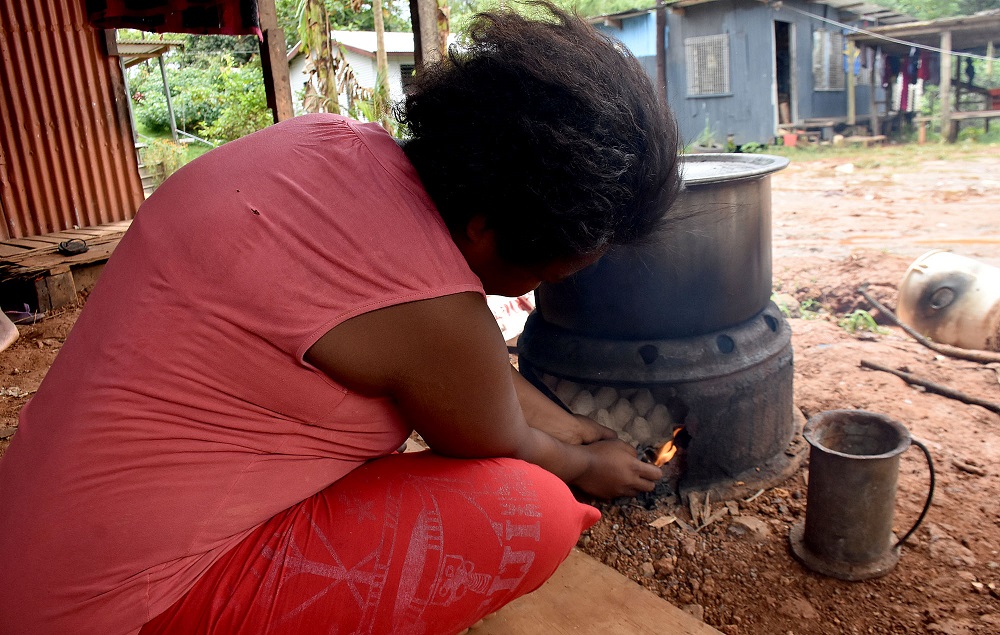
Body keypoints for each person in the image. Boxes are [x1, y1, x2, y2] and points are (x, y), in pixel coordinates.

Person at [0, 3, 681, 633]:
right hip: (115, 609)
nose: (533, 292)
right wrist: (584, 465)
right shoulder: (436, 313)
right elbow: (509, 435)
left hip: (28, 556)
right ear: (483, 228)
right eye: (543, 274)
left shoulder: (325, 144)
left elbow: (459, 373)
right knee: (534, 511)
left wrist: (568, 420)